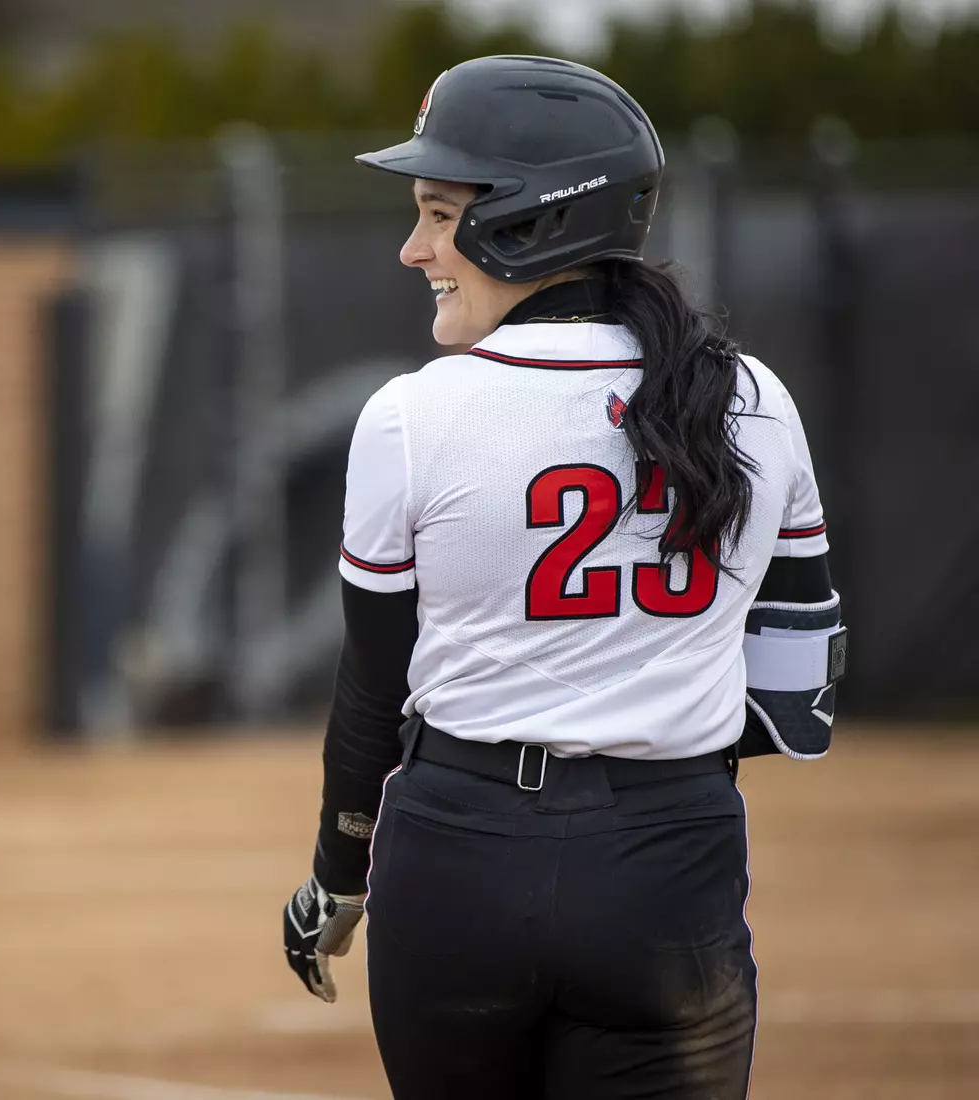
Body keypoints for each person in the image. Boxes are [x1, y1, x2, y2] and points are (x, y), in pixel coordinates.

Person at [281, 56, 847, 1100]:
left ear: (530, 220)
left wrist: (338, 873)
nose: (413, 249)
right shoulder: (755, 398)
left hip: (456, 859)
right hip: (667, 869)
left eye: (438, 214)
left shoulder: (410, 414)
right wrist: (649, 765)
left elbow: (372, 692)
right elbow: (797, 692)